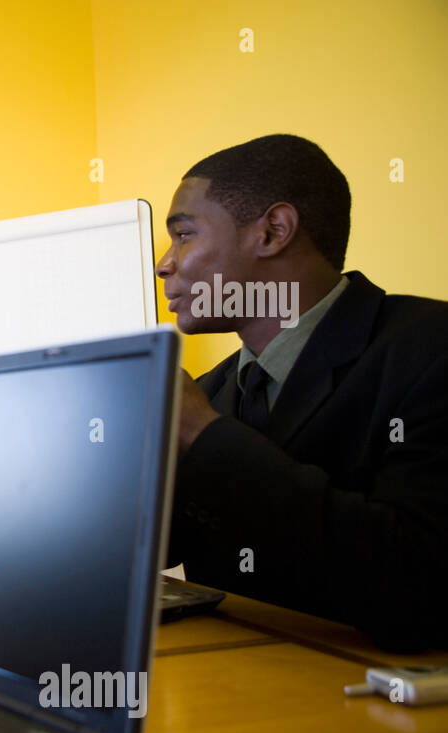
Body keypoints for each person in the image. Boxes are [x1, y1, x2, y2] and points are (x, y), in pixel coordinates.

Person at [158, 134, 448, 651]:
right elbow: (135, 552)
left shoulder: (431, 349)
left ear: (273, 231)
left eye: (183, 235)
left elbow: (420, 587)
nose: (165, 263)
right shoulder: (210, 392)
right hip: (233, 694)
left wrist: (204, 436)